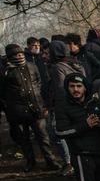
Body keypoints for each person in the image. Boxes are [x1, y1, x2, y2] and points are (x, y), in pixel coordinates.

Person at [0, 44, 65, 172]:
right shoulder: (5, 71)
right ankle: (30, 162)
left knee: (43, 136)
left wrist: (43, 103)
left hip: (36, 108)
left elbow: (39, 83)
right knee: (24, 139)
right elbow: (1, 92)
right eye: (17, 54)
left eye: (21, 54)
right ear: (11, 57)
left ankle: (50, 161)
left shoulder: (31, 66)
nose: (20, 56)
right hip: (17, 111)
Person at [47, 40, 84, 174]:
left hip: (64, 104)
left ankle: (70, 163)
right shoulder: (76, 63)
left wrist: (58, 106)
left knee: (57, 134)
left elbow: (60, 88)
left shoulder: (58, 67)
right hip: (79, 102)